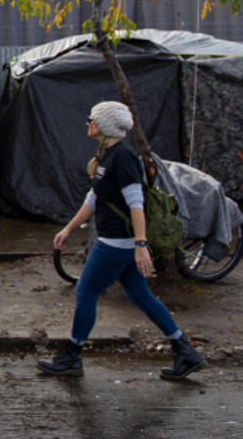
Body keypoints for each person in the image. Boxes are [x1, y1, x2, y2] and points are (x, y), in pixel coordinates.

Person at [38, 100, 204, 381]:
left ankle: (71, 356)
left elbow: (136, 202)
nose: (87, 122)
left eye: (91, 118)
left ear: (104, 125)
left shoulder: (123, 157)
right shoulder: (108, 154)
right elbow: (94, 199)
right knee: (141, 296)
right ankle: (184, 351)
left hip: (116, 243)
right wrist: (68, 228)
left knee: (86, 293)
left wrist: (141, 245)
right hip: (120, 243)